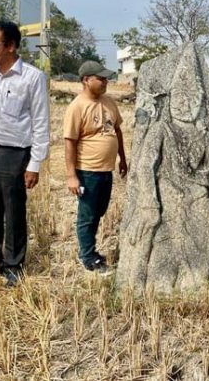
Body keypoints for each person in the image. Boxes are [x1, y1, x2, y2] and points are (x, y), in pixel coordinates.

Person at [0, 20, 49, 287]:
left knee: (14, 211)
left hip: (15, 155)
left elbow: (40, 123)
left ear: (12, 46)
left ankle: (14, 265)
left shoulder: (33, 78)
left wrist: (34, 163)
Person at [63, 61, 127, 275]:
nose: (105, 82)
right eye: (100, 79)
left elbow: (117, 131)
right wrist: (72, 176)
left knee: (99, 212)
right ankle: (88, 256)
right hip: (87, 171)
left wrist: (123, 159)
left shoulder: (109, 102)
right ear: (86, 80)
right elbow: (70, 142)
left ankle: (89, 250)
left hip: (106, 170)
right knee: (87, 215)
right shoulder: (77, 107)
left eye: (106, 78)